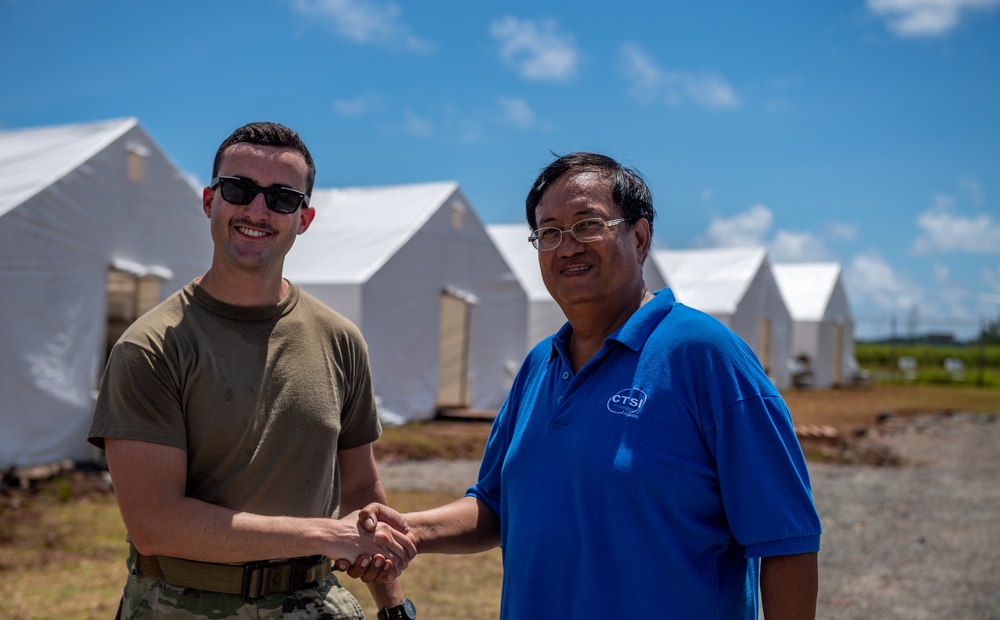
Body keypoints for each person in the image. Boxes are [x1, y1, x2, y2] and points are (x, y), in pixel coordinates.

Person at [353, 152, 821, 618]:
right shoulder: (540, 364)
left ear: (640, 237)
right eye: (550, 232)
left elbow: (787, 543)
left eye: (587, 225)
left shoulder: (706, 355)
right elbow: (495, 504)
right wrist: (405, 532)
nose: (567, 246)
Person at [88, 122, 416, 620]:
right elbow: (156, 521)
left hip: (315, 603)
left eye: (282, 198)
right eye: (239, 189)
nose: (257, 211)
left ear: (303, 219)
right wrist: (326, 535)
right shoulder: (152, 347)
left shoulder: (340, 340)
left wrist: (393, 608)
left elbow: (360, 490)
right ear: (209, 201)